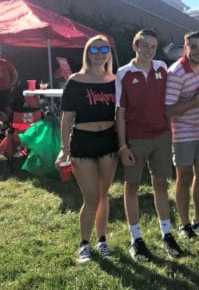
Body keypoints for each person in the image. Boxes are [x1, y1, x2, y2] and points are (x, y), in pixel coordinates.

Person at [116, 29, 182, 261]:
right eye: (144, 45)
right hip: (135, 139)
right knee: (132, 186)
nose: (148, 50)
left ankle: (166, 233)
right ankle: (136, 238)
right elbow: (120, 112)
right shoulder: (123, 73)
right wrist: (122, 146)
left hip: (162, 136)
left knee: (161, 184)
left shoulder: (162, 68)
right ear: (135, 45)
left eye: (153, 46)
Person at [56, 35, 118, 264]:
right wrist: (64, 148)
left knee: (103, 194)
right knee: (91, 197)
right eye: (95, 49)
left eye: (104, 48)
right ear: (87, 53)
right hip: (82, 141)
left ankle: (102, 240)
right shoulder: (76, 80)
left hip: (108, 141)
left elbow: (121, 113)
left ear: (109, 53)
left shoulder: (114, 79)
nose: (100, 53)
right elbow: (67, 117)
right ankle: (84, 244)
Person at [165, 30, 199, 238]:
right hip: (183, 133)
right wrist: (197, 101)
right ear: (185, 49)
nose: (198, 51)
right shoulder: (176, 73)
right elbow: (167, 110)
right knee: (184, 178)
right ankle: (184, 225)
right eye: (193, 47)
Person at [0, 46, 18, 116]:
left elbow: (15, 74)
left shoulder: (6, 62)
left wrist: (12, 84)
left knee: (6, 107)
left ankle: (13, 121)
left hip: (5, 90)